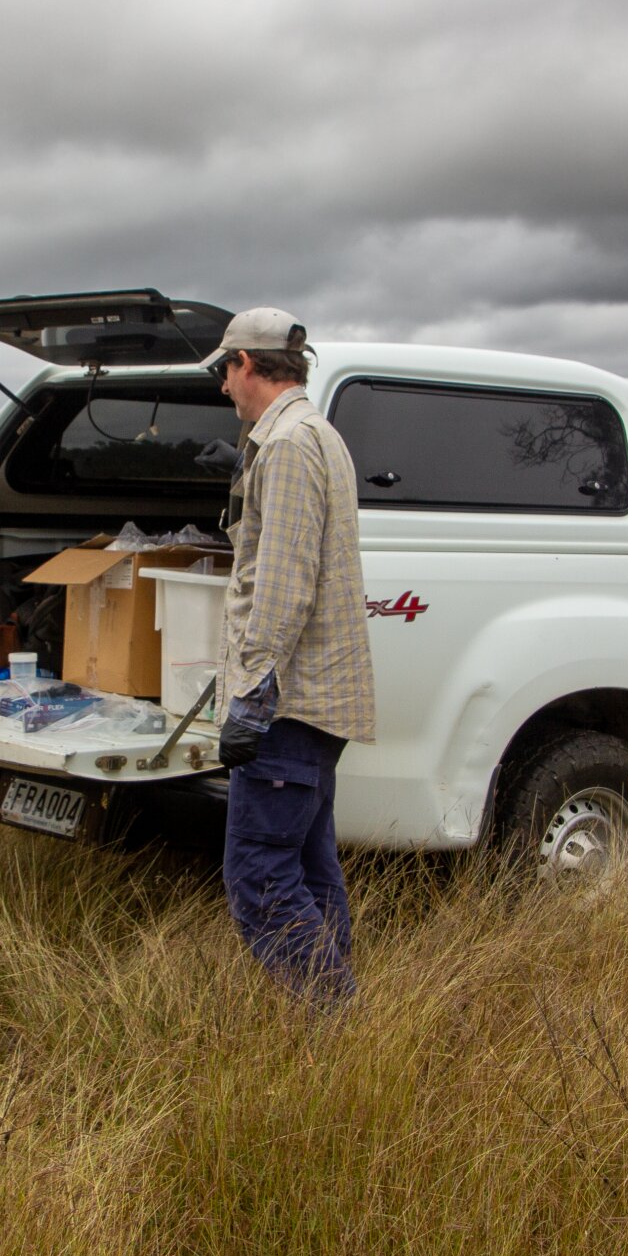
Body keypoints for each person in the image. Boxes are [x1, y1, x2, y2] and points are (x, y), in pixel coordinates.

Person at [209, 307, 375, 1003]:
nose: (223, 386)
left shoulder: (286, 443)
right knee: (307, 864)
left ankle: (331, 1011)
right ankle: (337, 1019)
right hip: (317, 703)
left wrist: (251, 694)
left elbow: (281, 585)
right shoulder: (317, 433)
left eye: (225, 369)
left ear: (248, 363)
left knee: (257, 874)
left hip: (287, 703)